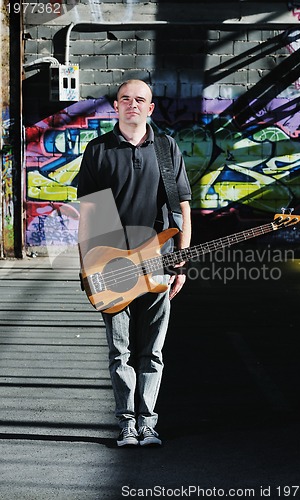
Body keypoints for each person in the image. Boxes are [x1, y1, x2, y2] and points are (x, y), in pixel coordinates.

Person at [77, 80, 191, 447]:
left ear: (150, 108)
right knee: (120, 350)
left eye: (140, 100)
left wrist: (182, 262)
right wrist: (89, 268)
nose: (132, 105)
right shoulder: (98, 150)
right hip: (113, 269)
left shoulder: (167, 148)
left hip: (159, 263)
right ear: (116, 106)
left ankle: (148, 422)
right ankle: (127, 423)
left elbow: (183, 208)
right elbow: (90, 216)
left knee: (153, 351)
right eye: (125, 99)